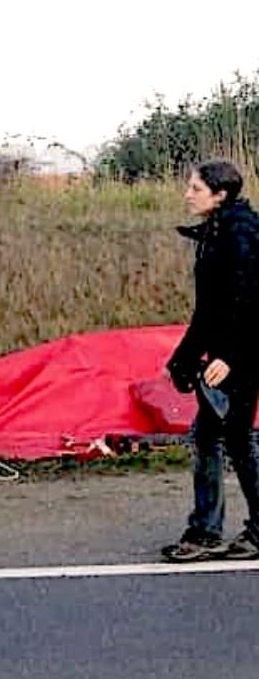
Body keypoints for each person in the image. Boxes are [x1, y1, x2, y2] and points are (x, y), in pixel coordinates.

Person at [162, 159, 259, 563]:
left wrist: (230, 358)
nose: (188, 194)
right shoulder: (216, 234)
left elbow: (250, 305)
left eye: (195, 188)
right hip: (225, 355)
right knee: (221, 438)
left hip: (243, 355)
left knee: (226, 439)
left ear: (220, 195)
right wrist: (183, 358)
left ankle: (208, 532)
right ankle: (213, 530)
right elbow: (209, 310)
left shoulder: (242, 238)